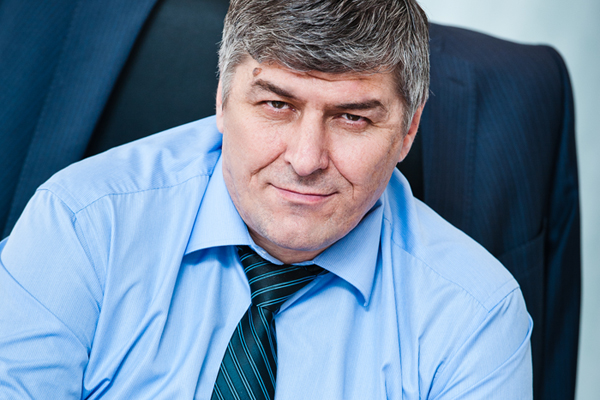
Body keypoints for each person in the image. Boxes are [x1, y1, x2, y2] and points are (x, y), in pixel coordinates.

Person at [0, 0, 532, 398]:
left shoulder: (475, 317)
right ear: (222, 99)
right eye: (277, 105)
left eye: (352, 117)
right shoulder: (82, 222)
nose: (306, 159)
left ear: (408, 130)